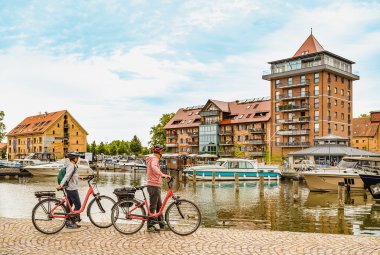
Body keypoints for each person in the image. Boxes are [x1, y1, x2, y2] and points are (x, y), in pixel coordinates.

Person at [146, 145, 170, 233]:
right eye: (162, 151)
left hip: (154, 184)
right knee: (153, 206)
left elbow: (153, 170)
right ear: (159, 152)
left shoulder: (152, 158)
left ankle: (162, 224)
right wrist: (162, 174)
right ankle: (150, 225)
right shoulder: (154, 159)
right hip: (153, 185)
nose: (162, 153)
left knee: (159, 205)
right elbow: (154, 167)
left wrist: (161, 176)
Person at [57, 151, 82, 229]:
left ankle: (68, 221)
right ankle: (71, 222)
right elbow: (67, 176)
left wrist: (79, 177)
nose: (78, 159)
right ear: (74, 158)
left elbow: (72, 175)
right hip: (72, 189)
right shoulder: (71, 166)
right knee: (78, 205)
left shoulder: (71, 165)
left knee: (69, 205)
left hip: (70, 188)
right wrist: (60, 185)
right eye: (77, 158)